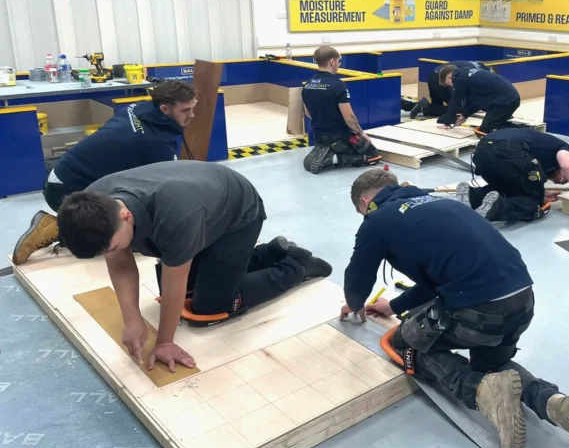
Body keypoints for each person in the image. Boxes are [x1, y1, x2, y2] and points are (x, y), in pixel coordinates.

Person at [339, 169, 569, 448]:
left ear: (364, 202)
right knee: (493, 366)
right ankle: (552, 401)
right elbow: (436, 282)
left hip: (480, 311)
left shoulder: (376, 220)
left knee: (405, 343)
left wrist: (354, 305)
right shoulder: (445, 203)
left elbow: (358, 280)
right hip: (522, 302)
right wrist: (393, 305)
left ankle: (481, 392)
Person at [56, 160, 332, 371]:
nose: (110, 254)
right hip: (204, 206)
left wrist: (164, 342)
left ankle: (297, 264)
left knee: (209, 306)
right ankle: (271, 251)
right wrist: (132, 319)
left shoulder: (174, 213)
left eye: (111, 247)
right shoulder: (93, 203)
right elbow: (119, 261)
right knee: (183, 284)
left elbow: (175, 282)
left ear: (126, 216)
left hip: (236, 215)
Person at [12, 80, 198, 265]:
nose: (192, 115)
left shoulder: (140, 108)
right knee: (133, 236)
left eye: (192, 108)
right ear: (165, 109)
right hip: (67, 192)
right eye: (185, 111)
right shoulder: (156, 143)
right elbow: (165, 189)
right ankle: (56, 227)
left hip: (61, 176)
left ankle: (68, 222)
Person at [457, 129, 569, 222]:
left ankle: (472, 195)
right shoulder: (564, 148)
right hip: (509, 152)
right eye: (564, 177)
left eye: (561, 182)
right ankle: (498, 207)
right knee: (531, 203)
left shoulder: (542, 148)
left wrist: (542, 192)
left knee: (504, 188)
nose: (562, 179)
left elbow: (521, 180)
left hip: (482, 151)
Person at [301, 46, 381, 174]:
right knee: (373, 155)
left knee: (334, 142)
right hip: (338, 137)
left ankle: (327, 150)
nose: (339, 64)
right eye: (339, 61)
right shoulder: (338, 85)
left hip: (319, 136)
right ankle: (333, 158)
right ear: (332, 62)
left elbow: (307, 113)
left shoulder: (307, 85)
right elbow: (349, 118)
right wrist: (361, 133)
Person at [438, 64, 521, 136]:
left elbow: (455, 101)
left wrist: (447, 122)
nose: (451, 87)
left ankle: (523, 131)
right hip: (510, 98)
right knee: (495, 124)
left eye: (448, 84)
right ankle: (522, 129)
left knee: (483, 131)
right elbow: (477, 102)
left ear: (449, 77)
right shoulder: (468, 73)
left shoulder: (459, 79)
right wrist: (465, 115)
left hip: (504, 102)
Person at [403, 60, 492, 120]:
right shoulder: (479, 72)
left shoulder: (474, 64)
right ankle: (425, 107)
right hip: (444, 80)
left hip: (433, 76)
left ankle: (422, 106)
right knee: (456, 109)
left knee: (436, 107)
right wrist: (474, 107)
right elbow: (470, 90)